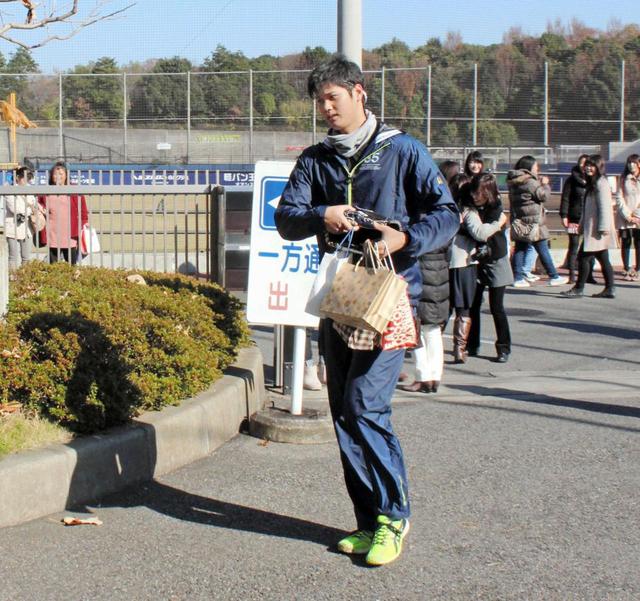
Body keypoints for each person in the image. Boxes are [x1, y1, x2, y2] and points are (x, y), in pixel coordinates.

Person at [274, 55, 459, 566]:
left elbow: (447, 215)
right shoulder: (315, 159)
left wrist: (406, 237)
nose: (326, 109)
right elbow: (286, 218)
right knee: (342, 412)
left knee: (364, 404)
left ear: (359, 93)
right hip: (340, 298)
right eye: (319, 102)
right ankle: (367, 519)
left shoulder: (402, 149)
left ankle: (394, 517)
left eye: (332, 98)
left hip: (392, 296)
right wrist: (322, 214)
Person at [464, 174, 513, 363]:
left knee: (497, 307)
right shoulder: (470, 207)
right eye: (473, 192)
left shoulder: (496, 208)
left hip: (495, 259)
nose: (475, 196)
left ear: (488, 192)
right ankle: (472, 343)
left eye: (479, 192)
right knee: (474, 305)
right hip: (476, 260)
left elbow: (485, 234)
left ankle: (503, 347)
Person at [563, 155, 620, 298]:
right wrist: (582, 226)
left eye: (592, 165)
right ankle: (610, 288)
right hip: (594, 229)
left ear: (598, 167)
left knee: (583, 258)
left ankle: (579, 288)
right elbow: (587, 209)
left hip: (598, 230)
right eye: (587, 165)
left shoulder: (601, 183)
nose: (588, 168)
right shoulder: (593, 183)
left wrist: (603, 228)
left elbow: (605, 207)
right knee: (603, 258)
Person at [507, 155, 568, 288]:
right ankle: (553, 275)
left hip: (521, 220)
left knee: (520, 248)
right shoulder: (530, 182)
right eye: (536, 167)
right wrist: (545, 184)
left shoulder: (514, 181)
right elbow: (543, 196)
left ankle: (517, 277)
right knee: (542, 248)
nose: (537, 170)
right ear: (529, 168)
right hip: (533, 221)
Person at [447, 173, 477, 363]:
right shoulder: (468, 211)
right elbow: (480, 233)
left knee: (445, 306)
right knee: (464, 307)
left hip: (446, 261)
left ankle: (428, 345)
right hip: (464, 260)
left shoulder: (445, 209)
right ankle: (459, 349)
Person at [38, 161, 88, 265]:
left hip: (70, 233)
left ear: (66, 176)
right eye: (55, 174)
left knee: (71, 264)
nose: (58, 176)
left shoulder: (74, 190)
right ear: (51, 176)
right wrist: (41, 208)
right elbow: (39, 204)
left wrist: (84, 222)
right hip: (52, 232)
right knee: (53, 264)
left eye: (61, 174)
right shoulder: (45, 191)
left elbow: (83, 209)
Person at [4, 166, 36, 271]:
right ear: (17, 177)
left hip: (27, 228)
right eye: (23, 177)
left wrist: (28, 209)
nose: (26, 180)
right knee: (13, 257)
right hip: (13, 226)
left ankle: (24, 280)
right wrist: (29, 208)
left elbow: (34, 206)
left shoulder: (30, 189)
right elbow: (15, 208)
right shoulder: (9, 188)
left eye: (28, 177)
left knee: (26, 257)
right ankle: (12, 279)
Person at [615, 154, 640, 281]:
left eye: (634, 163)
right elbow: (619, 197)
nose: (631, 165)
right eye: (629, 163)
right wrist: (627, 215)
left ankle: (638, 269)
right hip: (624, 217)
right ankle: (626, 268)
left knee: (638, 242)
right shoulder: (623, 178)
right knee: (626, 242)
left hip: (638, 217)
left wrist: (637, 215)